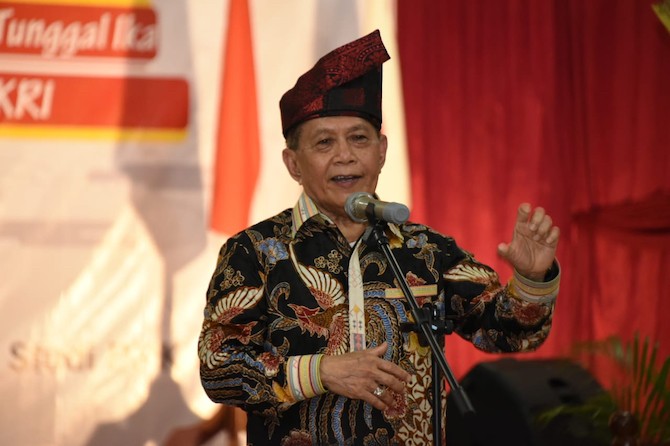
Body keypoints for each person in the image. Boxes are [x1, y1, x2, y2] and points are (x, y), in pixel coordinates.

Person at [198, 29, 560, 445]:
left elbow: (509, 332)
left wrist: (532, 280)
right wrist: (320, 372)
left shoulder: (426, 250)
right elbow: (218, 367)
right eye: (324, 142)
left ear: (382, 151)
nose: (345, 155)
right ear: (293, 164)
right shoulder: (256, 252)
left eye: (359, 138)